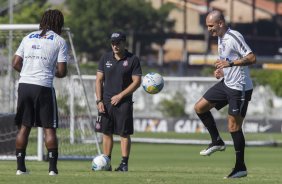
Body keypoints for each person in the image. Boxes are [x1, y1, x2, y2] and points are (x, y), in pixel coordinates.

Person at [194, 10, 256, 179]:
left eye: (210, 26)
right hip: (227, 83)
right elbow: (228, 62)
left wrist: (229, 64)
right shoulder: (220, 38)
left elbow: (251, 58)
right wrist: (222, 71)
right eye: (207, 26)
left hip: (239, 88)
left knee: (233, 127)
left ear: (220, 23)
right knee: (200, 107)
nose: (208, 29)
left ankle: (240, 167)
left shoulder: (234, 36)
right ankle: (217, 141)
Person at [12, 9, 67, 176]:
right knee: (49, 128)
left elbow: (15, 63)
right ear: (59, 23)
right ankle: (52, 169)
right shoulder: (59, 41)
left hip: (24, 85)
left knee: (24, 127)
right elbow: (62, 71)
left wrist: (29, 70)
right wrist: (51, 72)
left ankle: (20, 168)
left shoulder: (28, 37)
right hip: (43, 86)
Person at [95, 31, 142, 172]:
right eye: (113, 43)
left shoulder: (133, 59)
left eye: (118, 43)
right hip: (106, 102)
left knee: (123, 133)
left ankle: (124, 164)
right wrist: (99, 101)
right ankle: (106, 162)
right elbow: (98, 80)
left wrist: (121, 96)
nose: (115, 46)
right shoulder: (105, 58)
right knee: (106, 132)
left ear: (124, 43)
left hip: (124, 103)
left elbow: (137, 82)